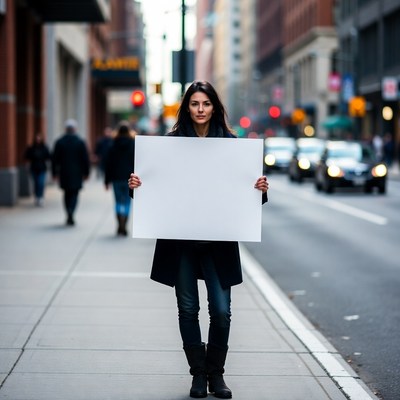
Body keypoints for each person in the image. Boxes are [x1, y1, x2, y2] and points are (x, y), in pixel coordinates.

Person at [128, 81, 269, 399]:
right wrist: (137, 185)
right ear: (187, 108)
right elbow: (153, 190)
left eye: (206, 103)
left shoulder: (233, 146)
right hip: (180, 244)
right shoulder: (170, 144)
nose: (201, 109)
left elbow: (244, 200)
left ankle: (216, 374)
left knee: (221, 311)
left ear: (215, 107)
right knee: (187, 309)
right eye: (195, 104)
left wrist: (259, 190)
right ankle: (198, 374)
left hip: (218, 243)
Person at [52, 119, 90, 226]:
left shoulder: (59, 142)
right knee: (74, 194)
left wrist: (54, 173)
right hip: (77, 173)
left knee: (66, 194)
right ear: (75, 129)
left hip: (64, 172)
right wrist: (86, 173)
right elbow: (85, 159)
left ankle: (68, 211)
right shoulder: (80, 142)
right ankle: (71, 211)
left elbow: (54, 159)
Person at [104, 121, 135, 236]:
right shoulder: (133, 144)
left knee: (118, 201)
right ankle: (124, 224)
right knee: (127, 202)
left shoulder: (112, 144)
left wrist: (106, 181)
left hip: (116, 178)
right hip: (129, 178)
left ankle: (119, 224)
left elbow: (108, 164)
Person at [24, 133, 51, 206]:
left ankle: (41, 197)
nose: (38, 140)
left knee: (41, 183)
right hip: (34, 168)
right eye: (37, 138)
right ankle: (37, 196)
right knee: (36, 183)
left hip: (42, 168)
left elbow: (48, 157)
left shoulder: (44, 148)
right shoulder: (31, 148)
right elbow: (27, 157)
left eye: (39, 138)